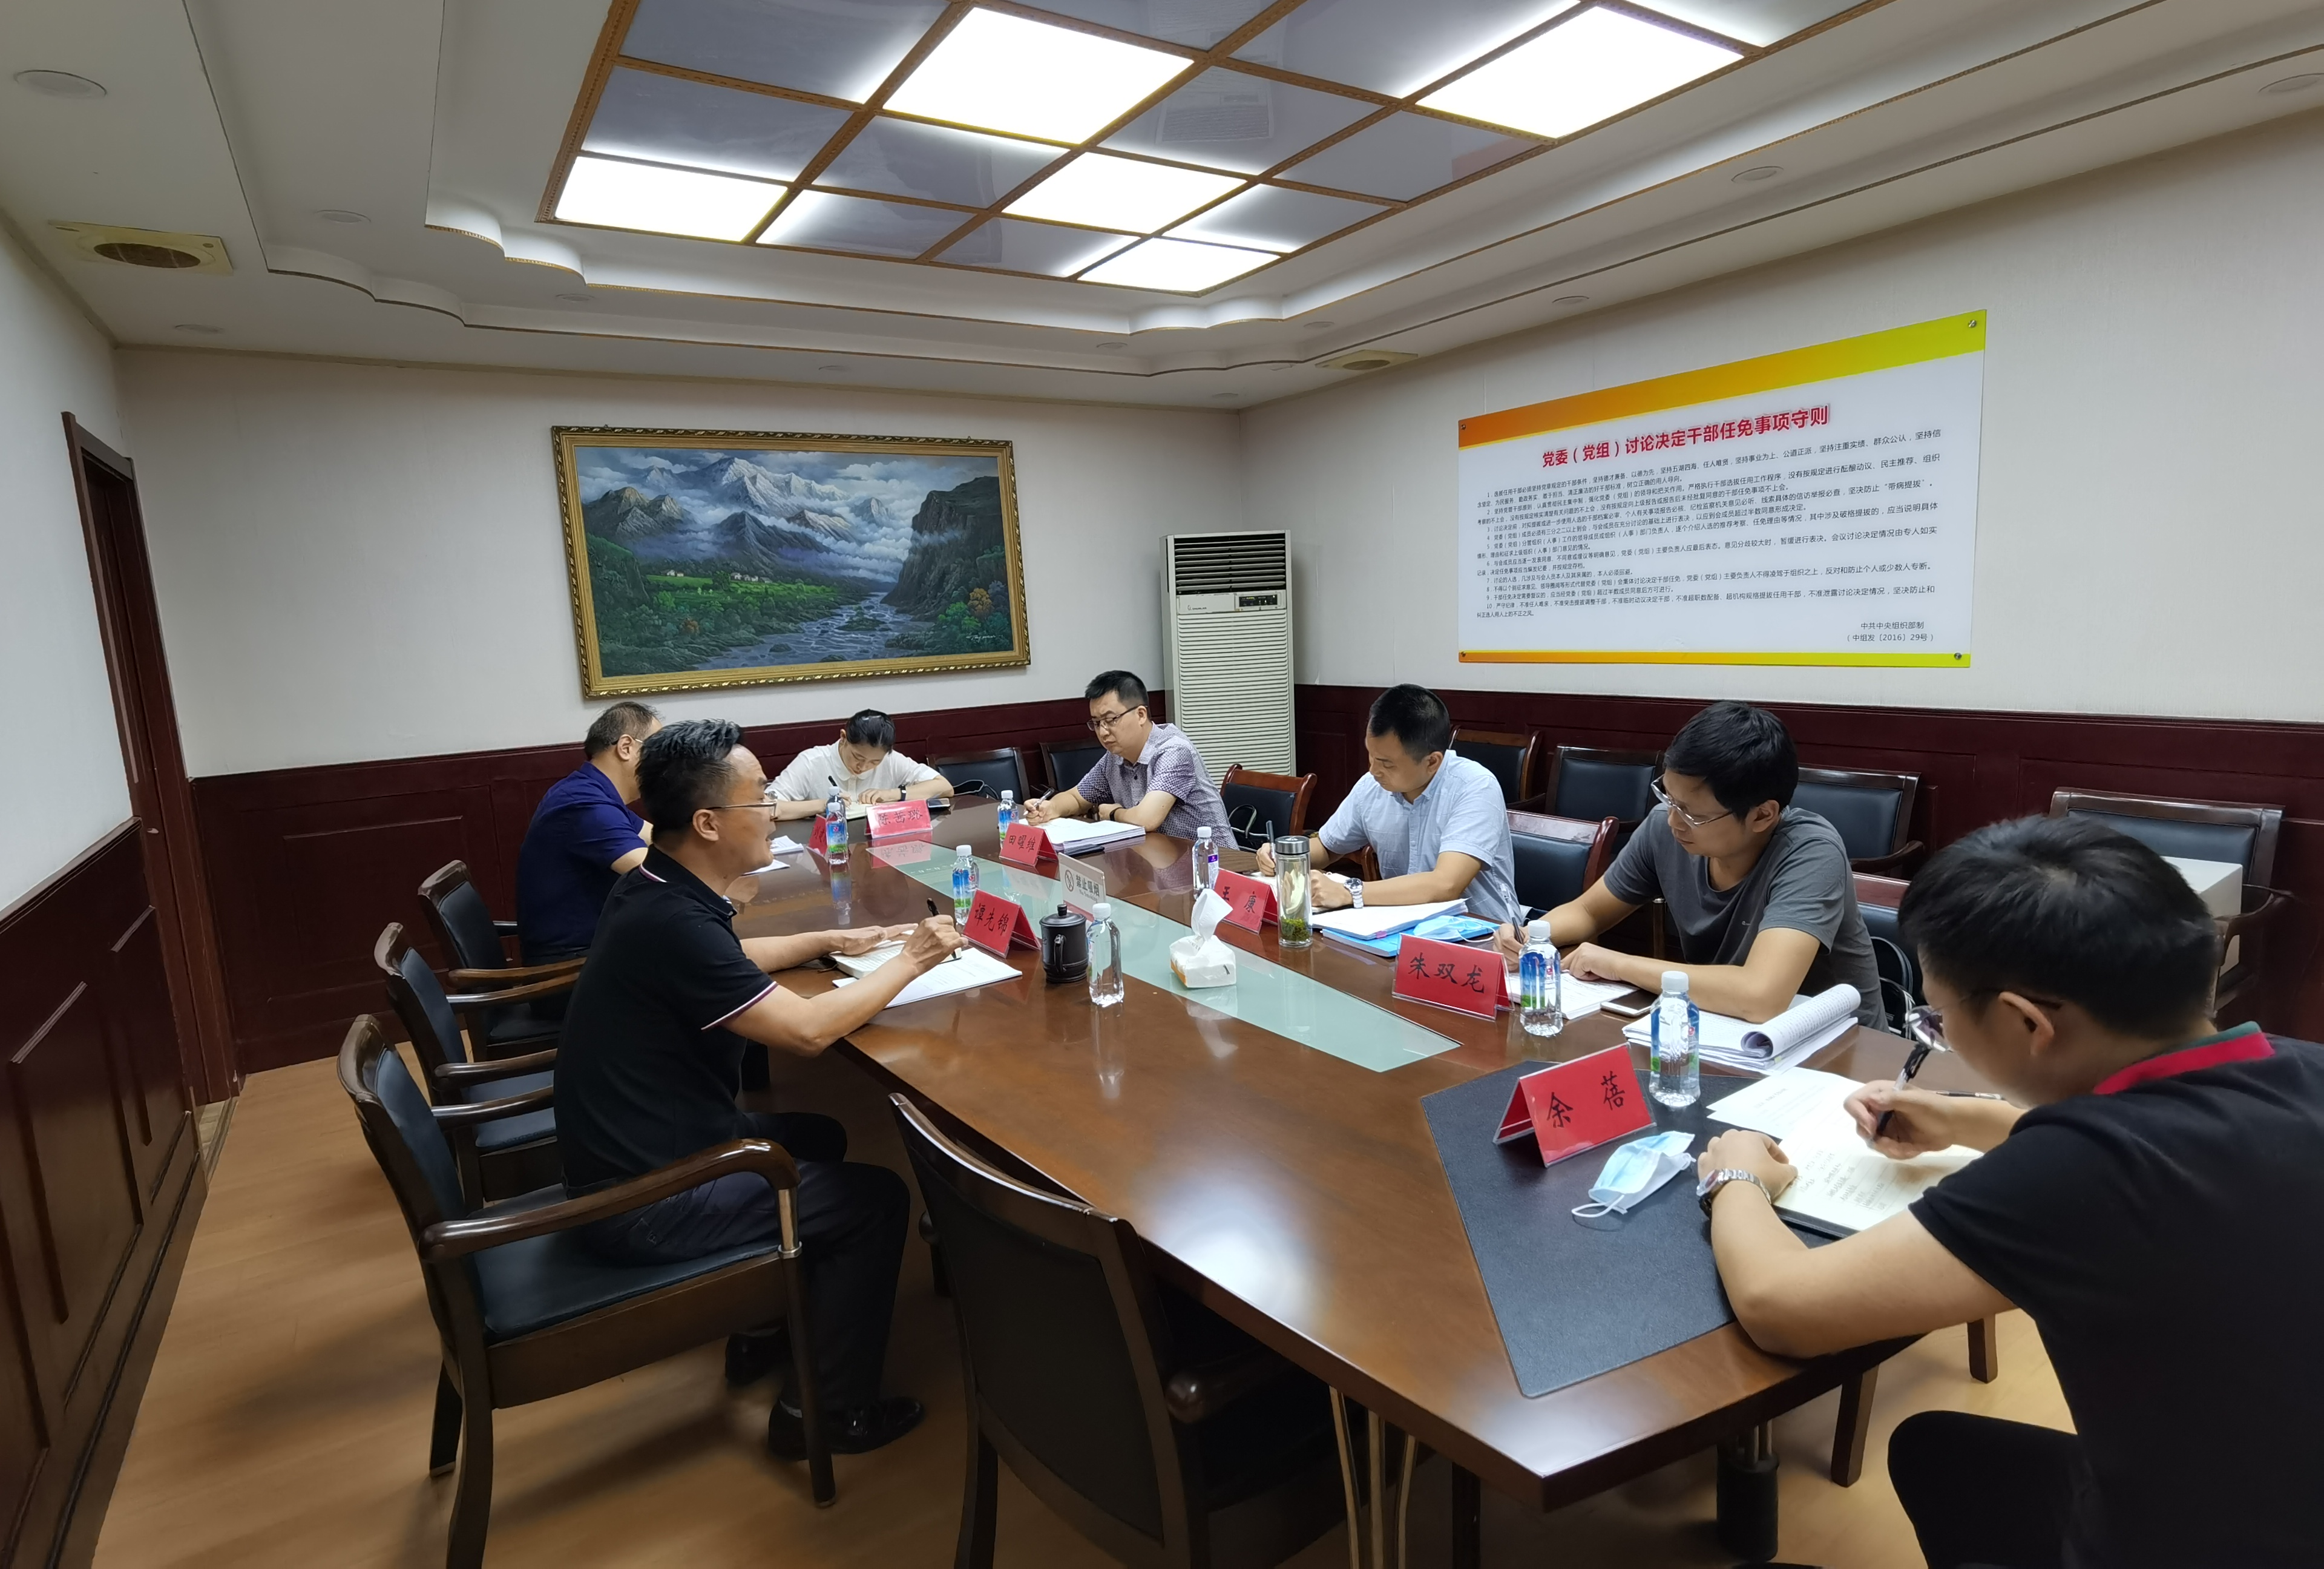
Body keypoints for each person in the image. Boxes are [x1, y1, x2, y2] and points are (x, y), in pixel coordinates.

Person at [1695, 815, 2324, 1568]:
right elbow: (2164, 1145)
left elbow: (1781, 1309)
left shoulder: (2080, 1174)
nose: (1938, 1035)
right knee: (1942, 1454)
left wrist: (1737, 1175)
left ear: (2026, 1021)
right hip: (2277, 1496)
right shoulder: (2299, 1067)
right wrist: (1966, 1120)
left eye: (1937, 1019)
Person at [555, 718, 967, 1460]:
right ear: (708, 824)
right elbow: (808, 1032)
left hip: (644, 1140)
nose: (774, 811)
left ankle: (765, 1322)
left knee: (818, 1136)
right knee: (877, 1201)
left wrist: (827, 941)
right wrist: (912, 959)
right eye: (759, 799)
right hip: (646, 1197)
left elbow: (728, 958)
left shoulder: (656, 887)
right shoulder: (673, 921)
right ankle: (824, 1414)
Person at [1499, 700, 1880, 1025]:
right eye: (1669, 798)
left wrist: (1618, 964)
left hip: (1838, 1048)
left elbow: (1761, 995)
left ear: (1762, 815)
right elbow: (1589, 911)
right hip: (1727, 1026)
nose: (1673, 820)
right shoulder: (1666, 829)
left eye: (1693, 813)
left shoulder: (1811, 852)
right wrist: (1531, 938)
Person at [1257, 683, 1519, 925]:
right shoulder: (1372, 786)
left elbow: (1445, 884)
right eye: (1371, 756)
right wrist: (1284, 855)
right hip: (1402, 928)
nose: (1373, 770)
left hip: (1482, 934)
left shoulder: (1474, 786)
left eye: (1386, 763)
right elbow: (1327, 847)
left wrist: (1349, 892)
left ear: (1432, 762)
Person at [516, 701, 660, 965]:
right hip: (572, 967)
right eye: (657, 751)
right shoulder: (585, 804)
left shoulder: (591, 790)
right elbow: (656, 873)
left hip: (596, 948)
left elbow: (661, 837)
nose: (663, 765)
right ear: (626, 747)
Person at [1021, 670, 1233, 841]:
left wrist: (1114, 813)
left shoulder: (1173, 751)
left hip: (1217, 862)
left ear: (1141, 715)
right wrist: (1050, 808)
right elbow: (1077, 798)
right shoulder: (1114, 758)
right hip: (1160, 860)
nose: (1103, 732)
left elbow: (1147, 820)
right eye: (1096, 723)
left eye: (1111, 720)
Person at [766, 709, 954, 820]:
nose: (863, 767)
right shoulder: (812, 762)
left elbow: (944, 787)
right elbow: (766, 808)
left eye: (875, 762)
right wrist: (823, 805)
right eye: (858, 757)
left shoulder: (891, 760)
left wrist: (892, 794)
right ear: (843, 738)